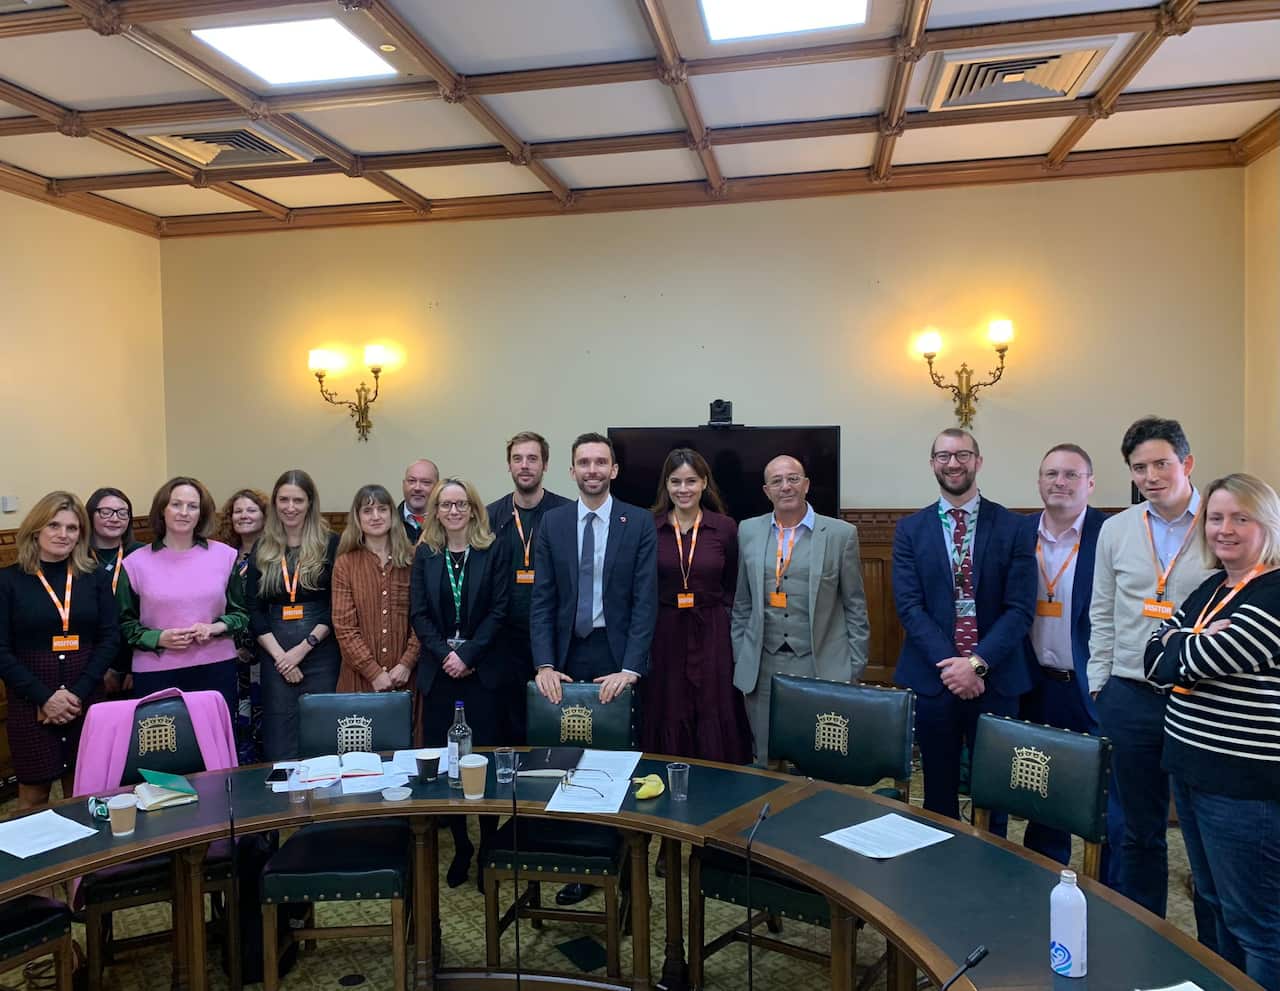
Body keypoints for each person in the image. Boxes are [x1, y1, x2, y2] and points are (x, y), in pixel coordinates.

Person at [1145, 473, 1280, 991]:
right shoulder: (1212, 587)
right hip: (1193, 771)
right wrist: (1186, 642)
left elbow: (1193, 656)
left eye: (1241, 518)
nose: (1225, 529)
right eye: (1217, 518)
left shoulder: (1273, 592)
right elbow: (1153, 659)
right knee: (1214, 906)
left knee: (1258, 923)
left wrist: (1182, 643)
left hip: (1244, 786)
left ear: (1266, 524)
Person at [1088, 416, 1212, 919]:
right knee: (1138, 830)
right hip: (1129, 696)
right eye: (1140, 468)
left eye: (1161, 463)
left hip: (1202, 697)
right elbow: (1100, 610)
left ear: (1186, 463)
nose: (1151, 476)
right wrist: (1100, 683)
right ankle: (1144, 935)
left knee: (1205, 834)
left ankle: (1216, 956)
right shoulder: (1117, 528)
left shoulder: (1221, 522)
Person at [531, 432, 658, 907]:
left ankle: (623, 865)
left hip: (616, 658)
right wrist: (543, 662)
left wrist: (632, 668)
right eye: (583, 462)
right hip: (566, 658)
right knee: (569, 761)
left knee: (616, 763)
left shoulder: (638, 521)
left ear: (614, 470)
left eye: (600, 462)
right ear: (571, 471)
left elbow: (645, 602)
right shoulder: (554, 523)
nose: (592, 470)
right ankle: (581, 864)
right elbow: (542, 599)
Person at [892, 429, 1035, 829]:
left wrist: (977, 664)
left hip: (997, 678)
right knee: (937, 793)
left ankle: (991, 876)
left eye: (962, 455)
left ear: (978, 461)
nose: (953, 463)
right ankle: (941, 877)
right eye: (943, 456)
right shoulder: (910, 529)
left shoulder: (1014, 527)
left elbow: (1020, 609)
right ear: (932, 463)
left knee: (996, 794)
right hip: (934, 679)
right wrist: (954, 667)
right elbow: (909, 607)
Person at [410, 478, 509, 888]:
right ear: (435, 511)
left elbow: (501, 609)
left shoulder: (493, 549)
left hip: (481, 672)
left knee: (480, 762)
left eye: (460, 504)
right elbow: (419, 615)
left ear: (473, 509)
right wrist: (446, 656)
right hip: (439, 673)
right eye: (445, 505)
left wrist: (467, 655)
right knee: (448, 763)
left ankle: (488, 845)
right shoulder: (426, 555)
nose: (453, 511)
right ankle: (462, 844)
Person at [1018, 445, 1109, 865]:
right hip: (1035, 684)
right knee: (1043, 790)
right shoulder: (1018, 534)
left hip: (1092, 687)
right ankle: (1042, 873)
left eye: (1071, 475)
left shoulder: (1110, 535)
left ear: (1090, 484)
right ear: (1039, 482)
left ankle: (1108, 891)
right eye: (1051, 473)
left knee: (1104, 798)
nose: (1060, 482)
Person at [0, 492, 118, 809]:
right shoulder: (8, 581)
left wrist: (76, 694)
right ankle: (34, 860)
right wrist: (45, 698)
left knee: (82, 792)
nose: (63, 535)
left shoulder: (93, 577)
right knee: (34, 795)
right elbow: (1, 650)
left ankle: (86, 859)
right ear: (36, 529)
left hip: (86, 699)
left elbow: (109, 638)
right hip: (30, 703)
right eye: (54, 525)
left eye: (72, 528)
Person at [116, 477, 247, 720]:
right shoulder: (134, 563)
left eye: (193, 506)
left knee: (216, 747)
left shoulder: (225, 556)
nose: (184, 512)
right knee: (162, 751)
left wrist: (214, 627)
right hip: (156, 672)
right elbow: (125, 624)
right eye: (176, 504)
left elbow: (241, 615)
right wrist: (158, 638)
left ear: (202, 513)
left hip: (216, 668)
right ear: (162, 510)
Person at [247, 470, 340, 762]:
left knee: (322, 728)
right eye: (283, 500)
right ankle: (283, 800)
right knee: (280, 733)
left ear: (310, 503)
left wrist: (301, 650)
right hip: (275, 653)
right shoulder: (263, 546)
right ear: (274, 504)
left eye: (298, 500)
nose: (290, 507)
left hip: (320, 651)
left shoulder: (330, 543)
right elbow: (254, 608)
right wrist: (282, 658)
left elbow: (335, 603)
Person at [486, 431, 571, 744]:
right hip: (503, 641)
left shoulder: (567, 514)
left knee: (551, 723)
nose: (525, 465)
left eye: (532, 459)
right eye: (517, 459)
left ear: (545, 465)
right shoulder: (489, 516)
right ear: (508, 466)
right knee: (507, 725)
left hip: (554, 639)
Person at [332, 484, 420, 712]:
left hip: (407, 678)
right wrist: (373, 672)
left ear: (392, 514)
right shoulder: (345, 564)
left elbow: (423, 618)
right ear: (357, 518)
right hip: (358, 680)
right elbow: (344, 628)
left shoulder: (413, 560)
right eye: (367, 511)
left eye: (382, 509)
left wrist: (406, 663)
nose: (376, 516)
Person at [215, 488, 268, 764]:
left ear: (264, 516)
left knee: (266, 718)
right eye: (238, 511)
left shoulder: (273, 554)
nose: (244, 516)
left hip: (267, 651)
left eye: (251, 510)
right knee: (237, 719)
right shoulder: (222, 556)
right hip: (230, 653)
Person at [85, 487, 143, 696]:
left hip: (136, 661)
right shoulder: (76, 557)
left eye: (122, 512)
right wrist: (98, 669)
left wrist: (136, 666)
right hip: (88, 666)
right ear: (90, 514)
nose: (115, 518)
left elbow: (153, 615)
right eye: (106, 512)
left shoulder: (142, 555)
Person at [399, 458, 440, 544]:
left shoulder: (447, 523)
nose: (417, 488)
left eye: (425, 482)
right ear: (403, 484)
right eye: (412, 481)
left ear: (437, 487)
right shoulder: (389, 523)